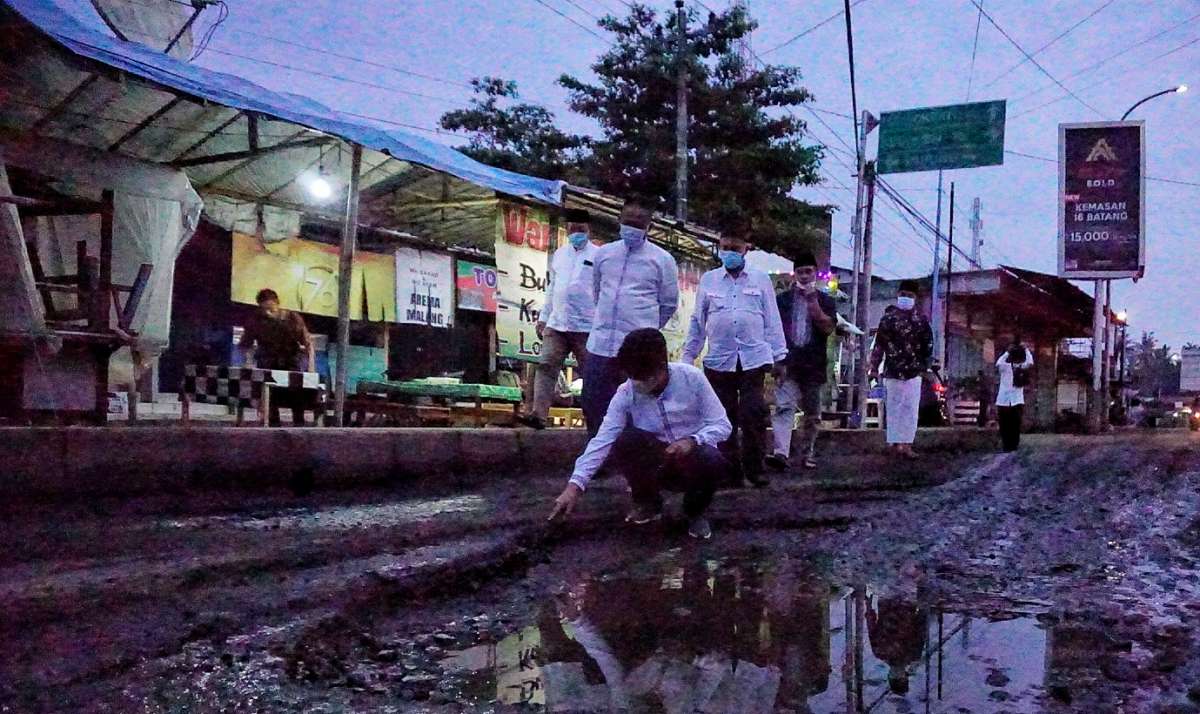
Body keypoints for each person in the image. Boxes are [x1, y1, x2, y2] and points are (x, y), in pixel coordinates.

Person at [549, 329, 731, 540]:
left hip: (692, 461)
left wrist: (692, 441)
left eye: (644, 378)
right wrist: (575, 486)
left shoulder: (692, 379)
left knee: (711, 459)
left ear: (662, 367)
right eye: (634, 378)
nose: (639, 384)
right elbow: (603, 439)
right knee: (627, 440)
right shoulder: (627, 392)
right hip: (657, 463)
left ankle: (695, 511)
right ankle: (648, 502)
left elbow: (722, 425)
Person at [680, 225, 786, 487]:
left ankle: (756, 469)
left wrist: (779, 356)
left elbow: (772, 319)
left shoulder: (760, 279)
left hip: (753, 358)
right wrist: (687, 357)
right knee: (721, 417)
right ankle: (730, 471)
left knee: (752, 413)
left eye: (734, 248)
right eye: (724, 248)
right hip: (719, 359)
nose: (729, 253)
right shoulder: (709, 280)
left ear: (745, 248)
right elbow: (698, 321)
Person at [581, 197, 679, 435]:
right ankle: (600, 459)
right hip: (601, 344)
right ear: (619, 220)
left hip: (636, 349)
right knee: (593, 402)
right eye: (628, 221)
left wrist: (646, 333)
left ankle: (635, 461)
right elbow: (597, 292)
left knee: (639, 407)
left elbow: (668, 303)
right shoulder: (604, 254)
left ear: (649, 226)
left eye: (638, 223)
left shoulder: (662, 260)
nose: (632, 227)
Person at [518, 208, 597, 430]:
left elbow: (603, 290)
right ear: (567, 230)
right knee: (545, 366)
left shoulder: (598, 256)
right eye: (572, 229)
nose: (576, 233)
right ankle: (537, 415)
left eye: (580, 229)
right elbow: (552, 288)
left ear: (588, 230)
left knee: (591, 374)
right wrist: (544, 317)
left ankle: (595, 419)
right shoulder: (560, 255)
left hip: (586, 325)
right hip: (558, 323)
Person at [766, 251, 837, 472]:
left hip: (813, 365)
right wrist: (777, 360)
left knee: (812, 414)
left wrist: (813, 302)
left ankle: (807, 454)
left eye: (808, 271)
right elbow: (774, 330)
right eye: (800, 272)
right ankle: (781, 453)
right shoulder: (783, 300)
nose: (804, 276)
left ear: (815, 273)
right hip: (788, 363)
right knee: (783, 408)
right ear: (794, 274)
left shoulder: (826, 300)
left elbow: (827, 327)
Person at [867, 280, 933, 457]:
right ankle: (894, 443)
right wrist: (873, 367)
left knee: (910, 410)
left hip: (913, 372)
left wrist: (924, 367)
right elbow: (879, 345)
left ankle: (906, 444)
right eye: (903, 295)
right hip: (892, 371)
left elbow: (928, 346)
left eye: (910, 296)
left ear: (915, 298)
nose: (905, 298)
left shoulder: (921, 321)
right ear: (898, 295)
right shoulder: (888, 319)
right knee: (894, 408)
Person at [238, 288, 315, 426]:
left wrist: (310, 367)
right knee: (270, 399)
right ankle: (273, 429)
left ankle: (299, 428)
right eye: (264, 310)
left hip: (291, 362)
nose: (268, 313)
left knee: (296, 398)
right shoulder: (256, 320)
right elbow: (245, 344)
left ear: (277, 304)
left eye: (271, 309)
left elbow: (308, 344)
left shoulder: (292, 318)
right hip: (268, 362)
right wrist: (248, 361)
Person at [996, 340, 1034, 452]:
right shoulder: (1021, 367)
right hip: (1016, 400)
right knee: (1015, 425)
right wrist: (1026, 349)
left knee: (1005, 425)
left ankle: (1006, 445)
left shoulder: (1005, 368)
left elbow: (998, 362)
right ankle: (1013, 445)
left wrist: (1007, 352)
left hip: (1003, 401)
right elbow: (1030, 362)